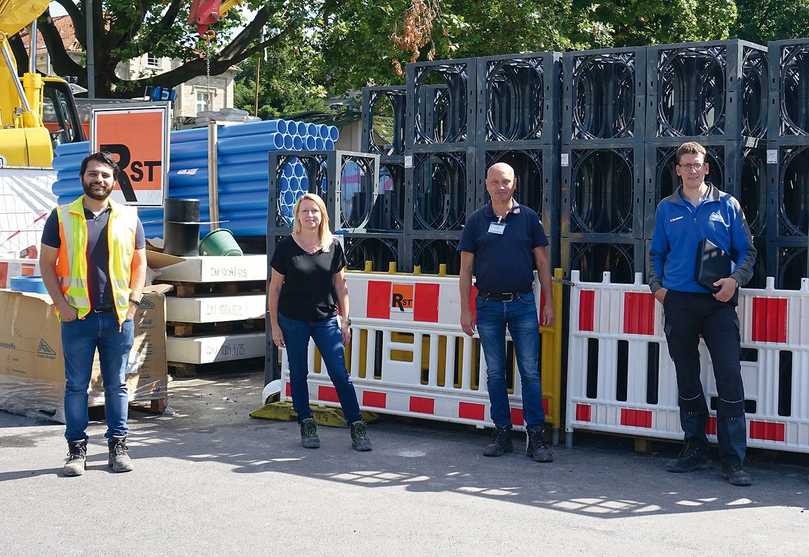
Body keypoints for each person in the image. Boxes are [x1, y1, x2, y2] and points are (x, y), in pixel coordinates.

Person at [649, 141, 757, 486]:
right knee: (687, 376)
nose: (693, 170)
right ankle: (694, 449)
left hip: (717, 302)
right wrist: (658, 288)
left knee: (729, 376)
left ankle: (733, 460)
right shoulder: (667, 208)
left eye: (698, 164)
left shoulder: (727, 205)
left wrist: (735, 280)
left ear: (707, 168)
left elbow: (747, 251)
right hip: (678, 301)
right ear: (677, 170)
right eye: (686, 165)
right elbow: (655, 253)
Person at [40, 152, 146, 476]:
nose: (99, 180)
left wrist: (133, 302)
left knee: (117, 385)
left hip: (116, 319)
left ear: (115, 182)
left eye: (105, 175)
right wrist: (61, 306)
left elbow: (139, 263)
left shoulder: (129, 218)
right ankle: (76, 451)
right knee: (76, 386)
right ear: (83, 178)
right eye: (93, 174)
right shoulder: (60, 217)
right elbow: (46, 265)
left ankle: (118, 447)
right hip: (78, 319)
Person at [459, 162, 554, 461]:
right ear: (486, 184)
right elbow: (465, 270)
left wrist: (548, 301)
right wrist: (465, 309)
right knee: (496, 373)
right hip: (487, 305)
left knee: (529, 371)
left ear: (515, 185)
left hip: (523, 303)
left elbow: (542, 264)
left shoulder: (528, 219)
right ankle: (502, 433)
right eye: (496, 181)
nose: (501, 187)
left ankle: (536, 437)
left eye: (507, 182)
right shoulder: (476, 221)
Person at [268, 193, 372, 451]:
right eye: (304, 211)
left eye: (314, 211)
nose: (310, 215)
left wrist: (345, 321)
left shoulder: (333, 245)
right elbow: (274, 289)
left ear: (322, 215)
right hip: (293, 320)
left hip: (325, 319)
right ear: (297, 216)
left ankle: (357, 424)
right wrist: (275, 325)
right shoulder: (286, 247)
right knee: (299, 373)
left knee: (339, 373)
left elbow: (340, 285)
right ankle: (306, 422)